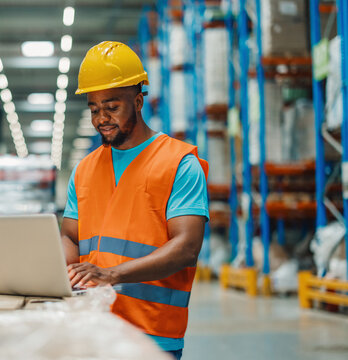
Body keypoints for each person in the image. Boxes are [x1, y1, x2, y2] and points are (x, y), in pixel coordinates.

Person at [60, 41, 209, 360]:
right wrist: (61, 269)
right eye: (94, 109)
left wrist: (111, 275)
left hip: (153, 332)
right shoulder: (85, 169)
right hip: (94, 324)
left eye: (112, 107)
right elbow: (70, 236)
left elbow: (186, 247)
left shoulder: (179, 163)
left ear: (138, 101)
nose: (102, 118)